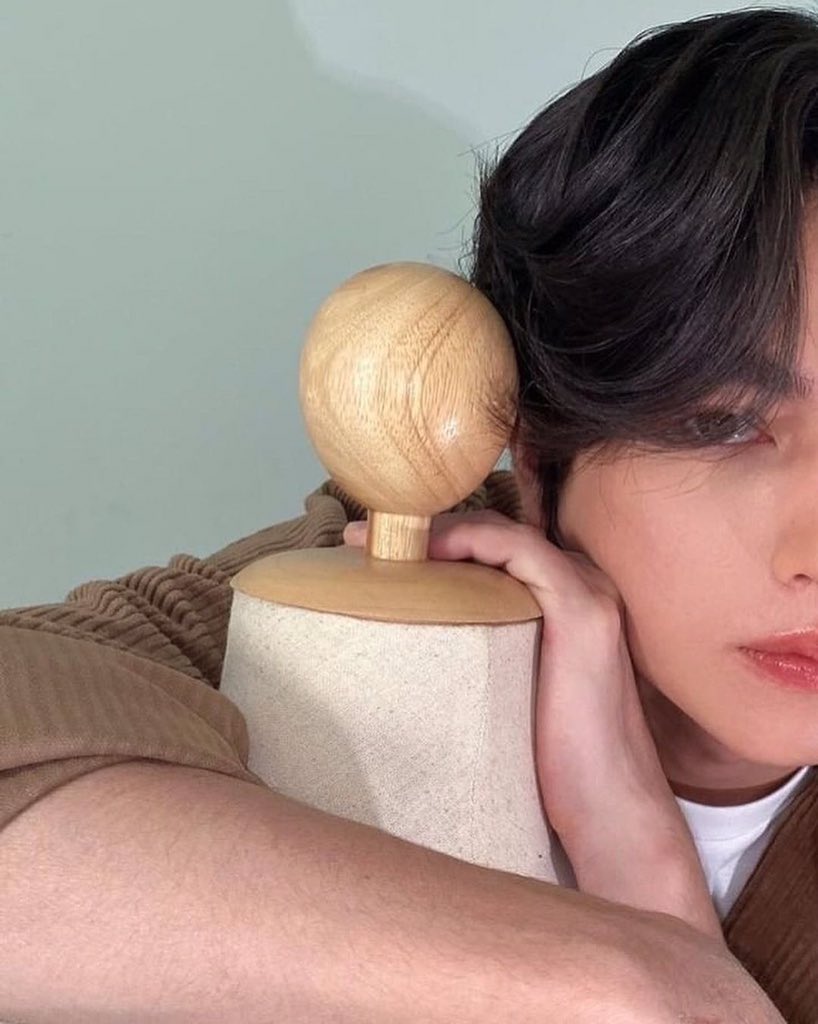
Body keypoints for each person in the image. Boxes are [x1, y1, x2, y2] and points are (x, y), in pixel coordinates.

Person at [0, 6, 814, 1022]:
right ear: (538, 449)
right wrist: (620, 974)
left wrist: (648, 879)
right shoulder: (357, 606)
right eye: (721, 423)